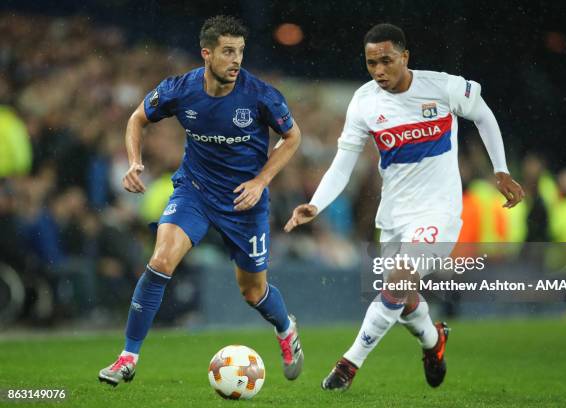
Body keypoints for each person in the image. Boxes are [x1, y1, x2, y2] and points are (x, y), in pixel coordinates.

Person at [285, 23, 524, 391]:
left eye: (386, 61)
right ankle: (433, 341)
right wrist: (316, 204)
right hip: (395, 214)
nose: (379, 71)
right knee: (404, 298)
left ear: (405, 57)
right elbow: (343, 162)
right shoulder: (365, 101)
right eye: (370, 63)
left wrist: (501, 170)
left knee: (398, 282)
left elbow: (484, 115)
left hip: (438, 212)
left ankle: (349, 364)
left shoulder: (442, 87)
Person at [99, 15, 303, 387]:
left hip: (245, 202)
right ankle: (127, 357)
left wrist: (261, 180)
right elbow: (137, 119)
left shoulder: (261, 95)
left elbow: (292, 138)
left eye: (240, 51)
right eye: (228, 51)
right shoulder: (180, 89)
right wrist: (134, 161)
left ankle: (286, 328)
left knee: (252, 292)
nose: (236, 60)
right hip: (195, 190)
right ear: (206, 53)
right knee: (160, 261)